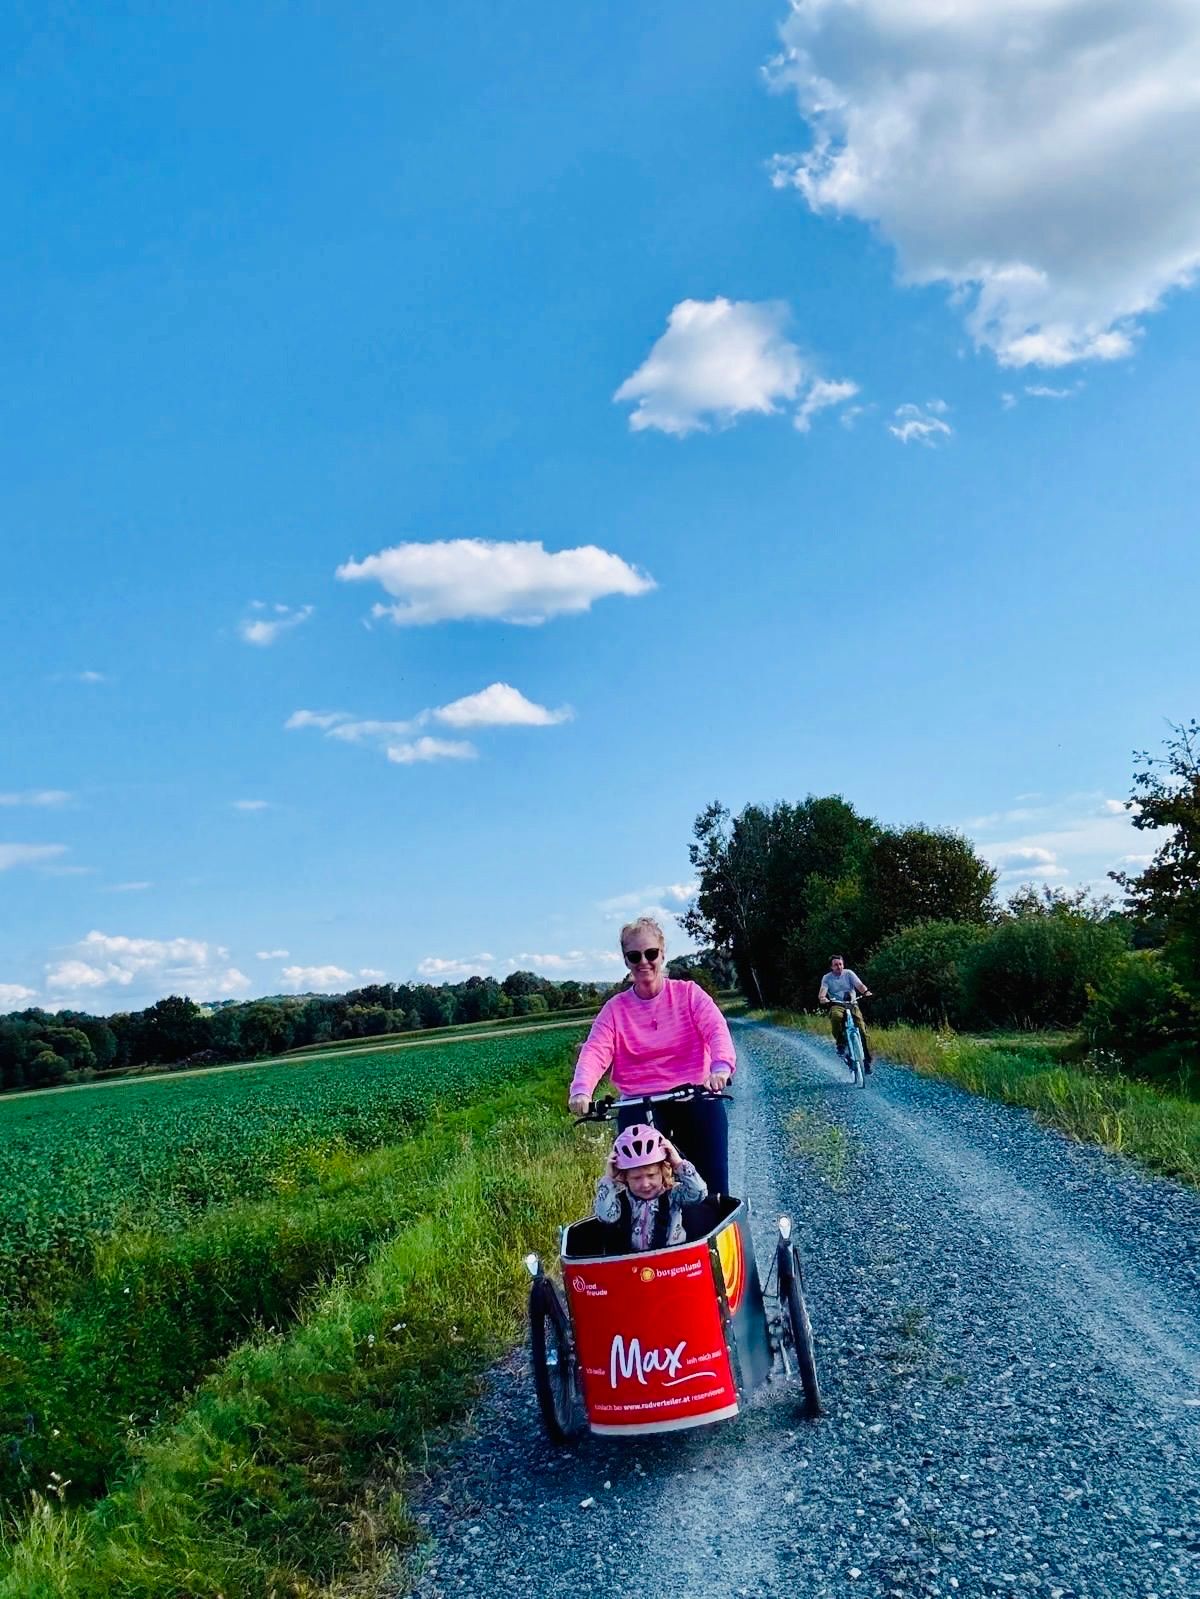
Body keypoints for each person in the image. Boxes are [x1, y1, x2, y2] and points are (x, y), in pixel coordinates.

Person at [567, 916, 736, 1194]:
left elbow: (716, 1030)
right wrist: (582, 1090)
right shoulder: (615, 1009)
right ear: (626, 960)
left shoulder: (688, 994)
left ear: (662, 953)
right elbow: (596, 1050)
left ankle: (715, 1214)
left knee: (712, 1182)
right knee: (640, 1184)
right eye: (634, 956)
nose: (643, 961)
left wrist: (720, 1068)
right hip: (639, 1100)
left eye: (651, 953)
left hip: (693, 1093)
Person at [593, 1124, 707, 1252]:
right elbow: (605, 1216)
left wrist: (678, 1163)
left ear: (663, 1171)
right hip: (634, 1260)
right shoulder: (622, 1200)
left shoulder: (673, 1195)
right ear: (625, 1177)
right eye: (636, 1178)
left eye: (651, 1175)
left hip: (672, 1258)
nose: (645, 1184)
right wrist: (609, 1179)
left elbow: (699, 1192)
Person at [817, 954, 874, 1072]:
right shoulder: (827, 978)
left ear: (843, 964)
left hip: (852, 1003)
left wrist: (866, 992)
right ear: (831, 967)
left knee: (862, 1029)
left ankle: (867, 1060)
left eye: (840, 964)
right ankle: (841, 1043)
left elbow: (859, 985)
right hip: (837, 1004)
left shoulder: (849, 973)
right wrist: (823, 998)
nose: (839, 967)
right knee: (836, 1017)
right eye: (836, 965)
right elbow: (823, 990)